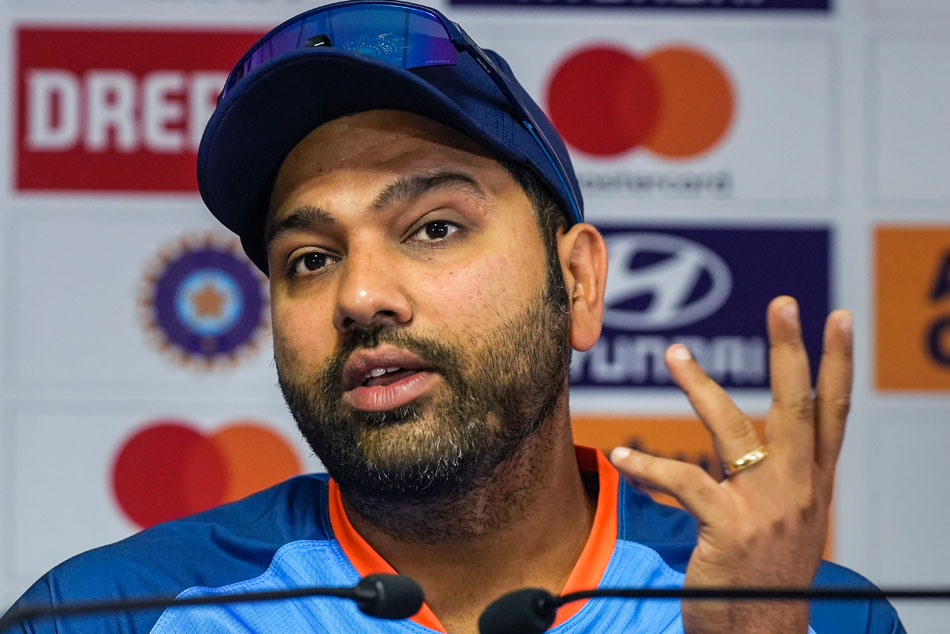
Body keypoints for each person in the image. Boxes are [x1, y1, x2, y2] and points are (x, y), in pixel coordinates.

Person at [4, 2, 904, 633]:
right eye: (310, 259)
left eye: (434, 228)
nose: (360, 297)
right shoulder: (108, 616)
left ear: (578, 283)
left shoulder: (803, 614)